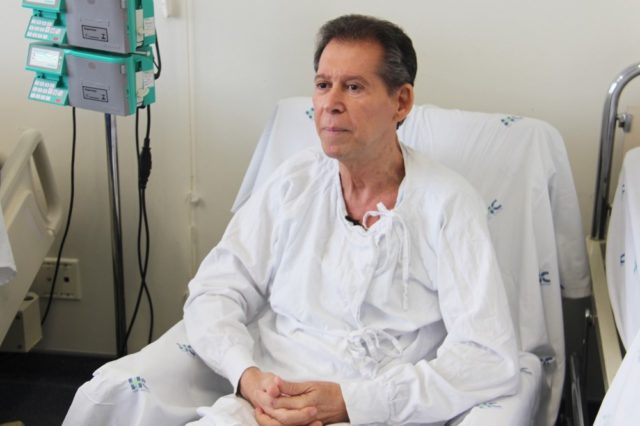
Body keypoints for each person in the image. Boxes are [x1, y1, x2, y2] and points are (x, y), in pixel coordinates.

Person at [182, 14, 519, 426]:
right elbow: (214, 291)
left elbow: (487, 356)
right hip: (266, 405)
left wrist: (352, 403)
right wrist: (248, 378)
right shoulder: (293, 184)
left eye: (354, 87)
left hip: (385, 412)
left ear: (401, 102)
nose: (330, 103)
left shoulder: (448, 204)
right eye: (323, 85)